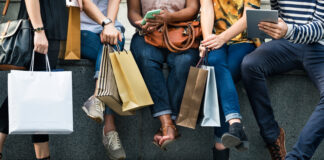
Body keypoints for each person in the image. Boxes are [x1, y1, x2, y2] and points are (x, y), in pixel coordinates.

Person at [0, 0, 123, 159]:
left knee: (38, 97)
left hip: (51, 28)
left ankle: (43, 156)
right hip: (40, 27)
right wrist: (38, 30)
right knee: (25, 93)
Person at [240, 0, 324, 159]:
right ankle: (272, 136)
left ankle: (295, 157)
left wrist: (288, 31)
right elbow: (275, 13)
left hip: (319, 47)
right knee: (250, 65)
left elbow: (321, 27)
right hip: (287, 43)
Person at [127, 0, 200, 150]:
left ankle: (168, 124)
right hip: (148, 35)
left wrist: (169, 18)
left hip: (182, 35)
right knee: (146, 59)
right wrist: (142, 23)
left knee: (184, 62)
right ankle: (167, 123)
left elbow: (193, 8)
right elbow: (133, 11)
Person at [199, 0, 259, 159]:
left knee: (225, 74)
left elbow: (249, 16)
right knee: (213, 61)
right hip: (215, 39)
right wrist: (207, 41)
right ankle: (235, 124)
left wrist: (222, 38)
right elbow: (206, 7)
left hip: (244, 40)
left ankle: (221, 144)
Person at [80, 0, 126, 159]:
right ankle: (110, 129)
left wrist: (110, 26)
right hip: (78, 29)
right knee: (112, 58)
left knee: (113, 42)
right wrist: (106, 23)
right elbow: (84, 3)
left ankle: (98, 98)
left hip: (109, 27)